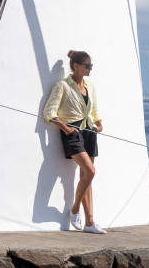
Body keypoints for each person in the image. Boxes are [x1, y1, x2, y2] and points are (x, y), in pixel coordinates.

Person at [43, 49, 106, 234]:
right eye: (88, 66)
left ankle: (90, 223)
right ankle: (75, 209)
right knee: (90, 171)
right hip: (72, 132)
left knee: (87, 177)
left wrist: (99, 123)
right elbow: (49, 112)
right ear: (76, 66)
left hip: (89, 131)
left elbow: (93, 109)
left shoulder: (90, 85)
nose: (90, 69)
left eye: (91, 66)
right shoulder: (62, 86)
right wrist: (66, 129)